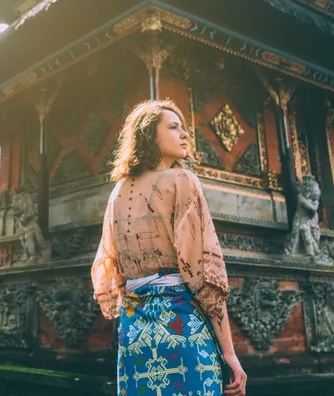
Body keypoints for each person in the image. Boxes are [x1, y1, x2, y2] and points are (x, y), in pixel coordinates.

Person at [92, 99, 247, 396]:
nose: (185, 135)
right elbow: (203, 272)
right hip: (180, 325)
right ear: (150, 135)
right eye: (174, 128)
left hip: (134, 332)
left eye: (184, 128)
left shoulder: (118, 191)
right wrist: (229, 354)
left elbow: (113, 269)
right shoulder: (181, 180)